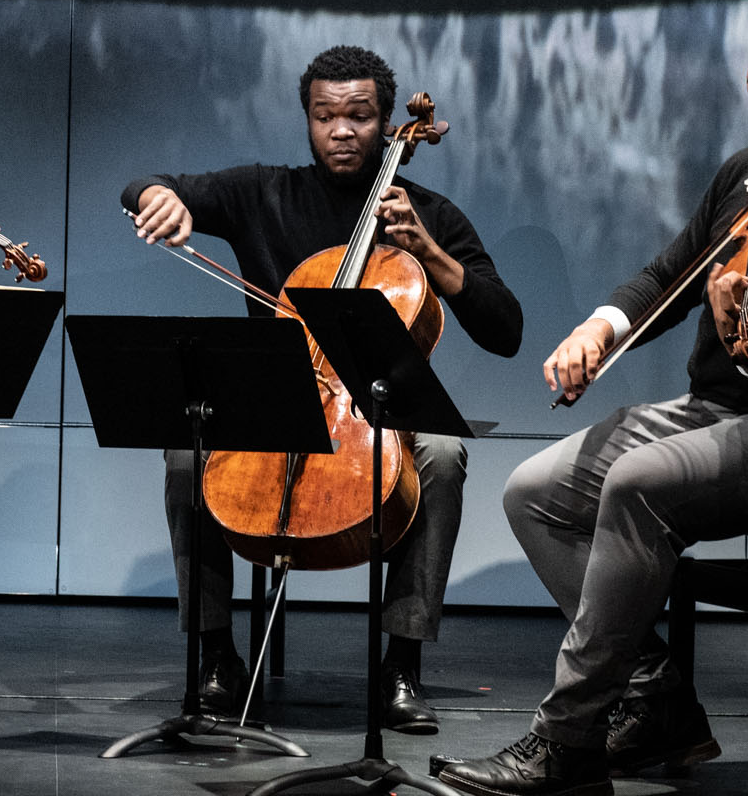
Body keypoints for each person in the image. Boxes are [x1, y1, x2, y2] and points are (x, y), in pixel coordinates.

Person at [437, 18, 748, 796]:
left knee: (638, 482)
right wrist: (598, 331)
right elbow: (669, 275)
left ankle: (568, 741)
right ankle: (655, 692)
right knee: (534, 491)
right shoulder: (747, 174)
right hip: (721, 413)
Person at [122, 45, 523, 733]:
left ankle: (401, 664)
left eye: (359, 116)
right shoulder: (262, 191)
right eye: (324, 115)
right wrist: (154, 197)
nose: (341, 130)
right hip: (273, 398)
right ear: (307, 119)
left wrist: (429, 255)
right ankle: (214, 654)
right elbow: (142, 182)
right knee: (185, 453)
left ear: (386, 121)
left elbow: (504, 327)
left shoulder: (428, 214)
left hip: (379, 408)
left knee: (443, 455)